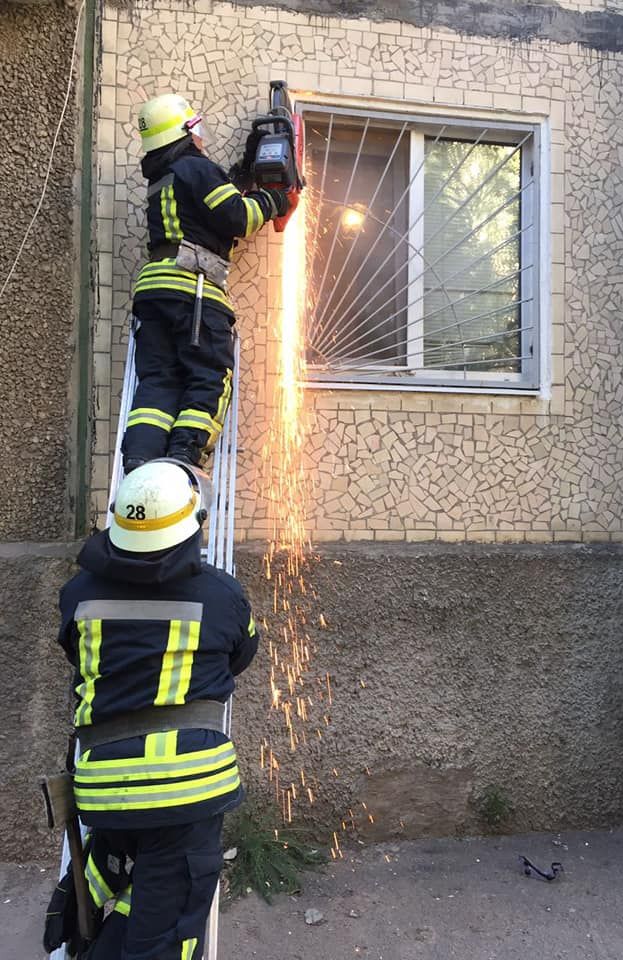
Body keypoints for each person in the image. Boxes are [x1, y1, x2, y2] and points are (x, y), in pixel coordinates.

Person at [52, 459, 259, 958]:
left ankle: (95, 907)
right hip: (185, 792)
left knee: (140, 885)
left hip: (105, 791)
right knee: (165, 933)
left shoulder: (77, 594)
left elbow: (75, 655)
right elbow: (242, 656)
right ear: (193, 527)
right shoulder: (222, 594)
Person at [122, 93, 289, 473]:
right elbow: (236, 218)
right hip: (193, 291)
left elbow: (201, 212)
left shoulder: (164, 175)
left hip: (154, 290)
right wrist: (272, 201)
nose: (202, 137)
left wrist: (239, 177)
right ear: (184, 132)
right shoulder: (195, 167)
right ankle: (184, 460)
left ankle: (140, 463)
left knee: (158, 382)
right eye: (196, 128)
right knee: (209, 376)